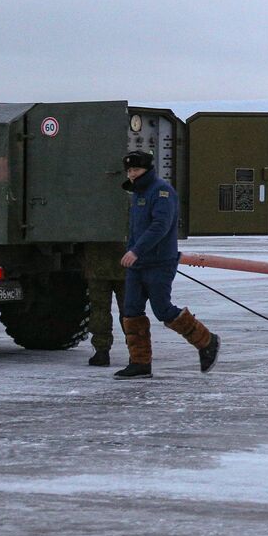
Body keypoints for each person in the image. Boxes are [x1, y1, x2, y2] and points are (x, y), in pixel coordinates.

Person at [114, 150, 220, 379]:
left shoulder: (162, 192)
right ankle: (140, 363)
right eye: (129, 171)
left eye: (136, 170)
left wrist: (136, 251)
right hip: (138, 265)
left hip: (159, 263)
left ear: (147, 170)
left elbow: (160, 227)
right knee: (131, 311)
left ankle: (207, 341)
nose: (132, 175)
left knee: (162, 309)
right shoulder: (138, 193)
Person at [82, 244, 125, 367]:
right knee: (129, 311)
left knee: (99, 309)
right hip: (125, 263)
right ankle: (135, 352)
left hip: (97, 264)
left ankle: (102, 351)